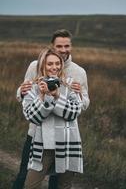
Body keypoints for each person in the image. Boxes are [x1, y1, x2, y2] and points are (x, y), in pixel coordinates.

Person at [13, 29, 89, 189]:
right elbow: (25, 91)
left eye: (66, 46)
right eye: (59, 46)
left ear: (71, 46)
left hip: (66, 138)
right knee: (24, 177)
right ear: (52, 46)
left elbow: (81, 105)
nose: (63, 50)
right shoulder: (35, 66)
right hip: (37, 136)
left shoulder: (78, 72)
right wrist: (24, 92)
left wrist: (76, 95)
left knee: (60, 184)